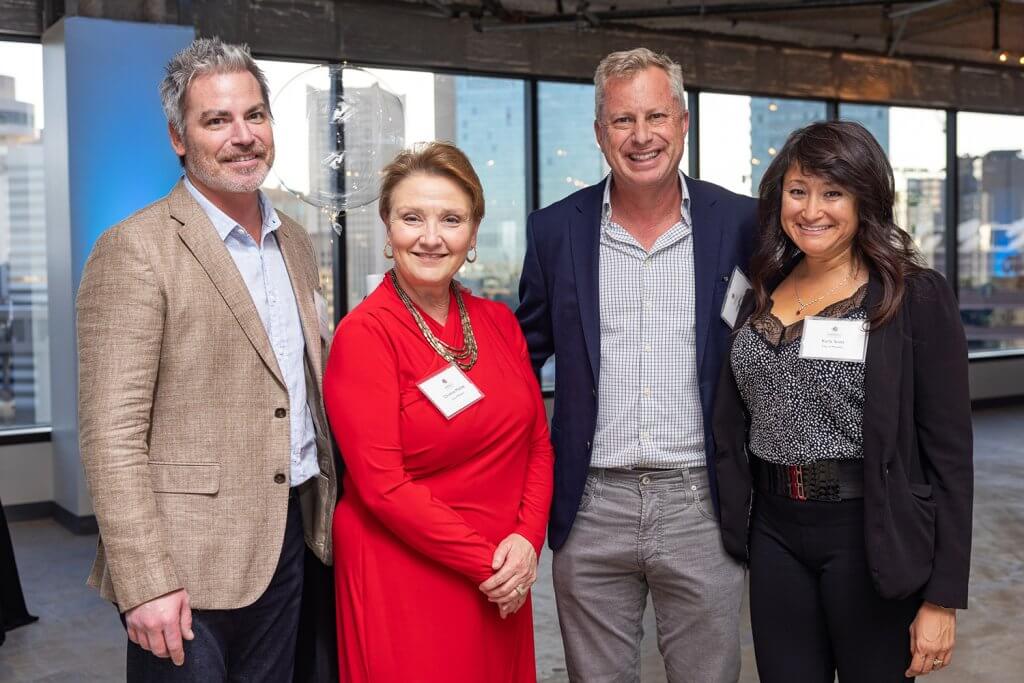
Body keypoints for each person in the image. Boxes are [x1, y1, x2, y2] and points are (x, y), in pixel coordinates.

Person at [76, 38, 337, 682]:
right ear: (179, 138)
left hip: (293, 539)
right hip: (184, 565)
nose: (242, 136)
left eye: (254, 115)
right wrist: (144, 583)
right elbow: (112, 438)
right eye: (217, 120)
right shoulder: (135, 249)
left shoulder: (294, 242)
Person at [516, 47, 757, 682]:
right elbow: (520, 355)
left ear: (683, 121)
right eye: (622, 120)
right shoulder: (552, 231)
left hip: (701, 503)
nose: (641, 136)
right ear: (600, 133)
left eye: (656, 116)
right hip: (591, 505)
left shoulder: (740, 223)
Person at [713, 120, 973, 682]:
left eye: (833, 192)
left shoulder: (912, 296)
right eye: (798, 190)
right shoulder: (758, 288)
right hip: (774, 531)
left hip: (868, 532)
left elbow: (950, 456)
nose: (812, 210)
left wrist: (942, 598)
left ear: (864, 201)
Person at [324, 142, 553, 682]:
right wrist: (492, 565)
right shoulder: (366, 335)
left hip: (502, 575)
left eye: (451, 219)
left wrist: (526, 542)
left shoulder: (498, 321)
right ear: (387, 229)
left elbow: (537, 444)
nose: (431, 237)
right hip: (407, 575)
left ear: (473, 235)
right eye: (412, 218)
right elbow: (383, 486)